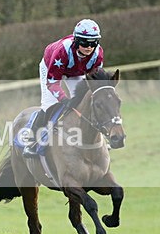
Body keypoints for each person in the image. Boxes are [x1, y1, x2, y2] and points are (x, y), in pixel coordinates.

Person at [22, 18, 104, 157]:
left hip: (75, 72)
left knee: (85, 101)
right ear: (77, 41)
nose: (89, 47)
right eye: (84, 42)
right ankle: (31, 141)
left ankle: (97, 138)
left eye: (93, 43)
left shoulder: (98, 55)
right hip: (51, 68)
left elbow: (93, 82)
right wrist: (64, 99)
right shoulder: (62, 51)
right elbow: (52, 83)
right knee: (49, 104)